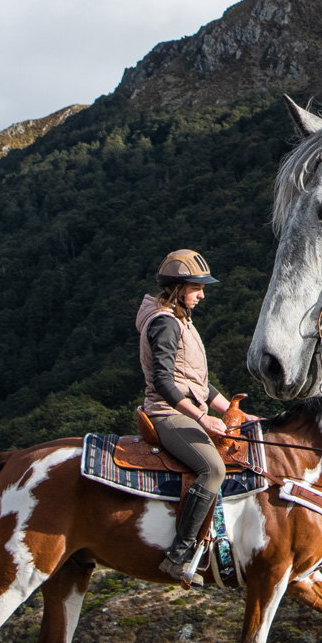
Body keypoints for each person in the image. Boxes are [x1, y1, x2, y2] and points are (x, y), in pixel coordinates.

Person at [138, 249, 238, 583]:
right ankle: (178, 555)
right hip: (167, 414)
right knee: (212, 469)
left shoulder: (181, 320)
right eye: (197, 288)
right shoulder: (165, 323)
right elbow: (164, 383)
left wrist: (232, 410)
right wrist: (202, 417)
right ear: (179, 289)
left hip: (185, 410)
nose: (202, 295)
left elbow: (198, 383)